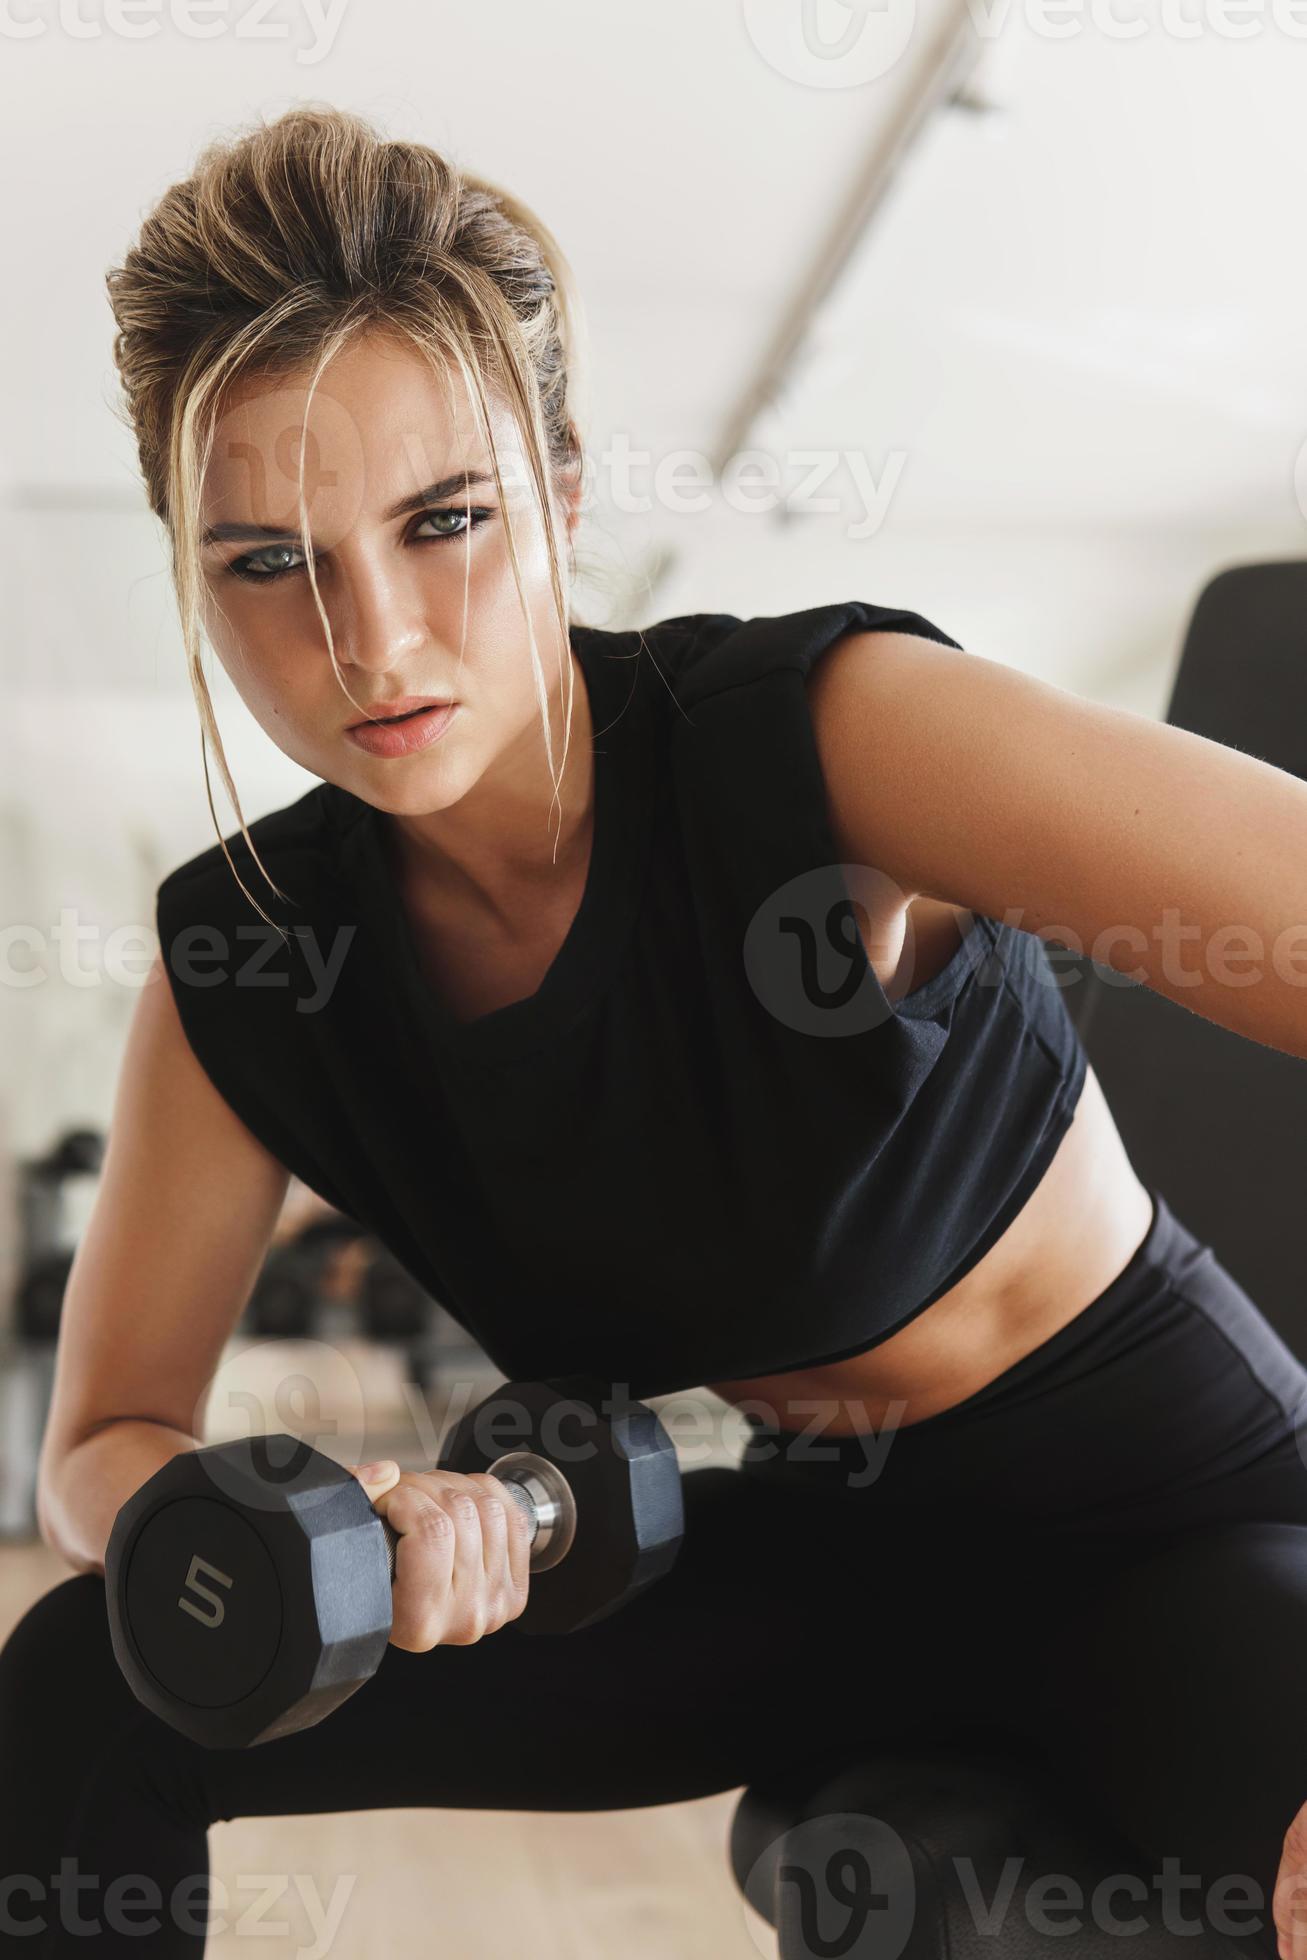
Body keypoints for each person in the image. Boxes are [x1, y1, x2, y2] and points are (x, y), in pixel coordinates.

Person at [3, 103, 1307, 1957]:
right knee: (92, 1674)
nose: (374, 640)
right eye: (270, 563)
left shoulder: (825, 739)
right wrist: (317, 1513)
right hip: (818, 1578)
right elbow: (104, 1441)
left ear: (564, 490)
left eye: (444, 521)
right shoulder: (254, 959)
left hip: (1165, 1525)